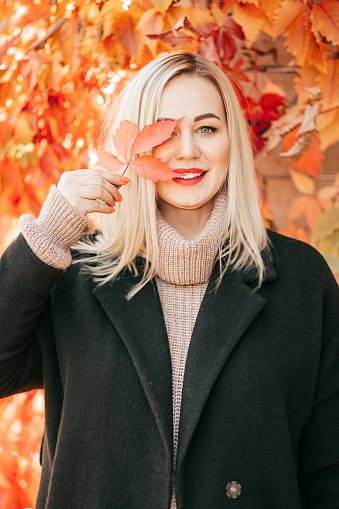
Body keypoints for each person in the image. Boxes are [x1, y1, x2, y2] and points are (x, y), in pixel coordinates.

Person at [0, 51, 338, 509]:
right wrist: (50, 234)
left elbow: (328, 466)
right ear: (135, 149)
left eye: (206, 128)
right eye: (165, 130)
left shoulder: (301, 281)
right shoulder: (77, 275)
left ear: (231, 141)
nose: (186, 150)